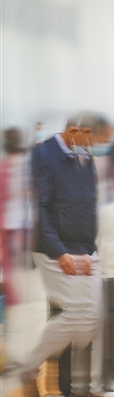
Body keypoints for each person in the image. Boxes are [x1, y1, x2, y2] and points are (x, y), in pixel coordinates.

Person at [21, 114, 103, 397]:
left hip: (84, 248)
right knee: (76, 313)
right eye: (89, 135)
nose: (92, 143)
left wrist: (90, 249)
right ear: (73, 131)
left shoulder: (86, 160)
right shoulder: (42, 155)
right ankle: (61, 383)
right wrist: (59, 252)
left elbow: (87, 205)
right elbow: (39, 207)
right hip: (55, 250)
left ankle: (79, 387)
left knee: (91, 316)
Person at [1, 128, 31, 307]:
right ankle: (17, 295)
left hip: (9, 220)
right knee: (20, 261)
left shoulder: (5, 166)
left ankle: (12, 296)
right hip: (25, 219)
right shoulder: (27, 164)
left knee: (9, 262)